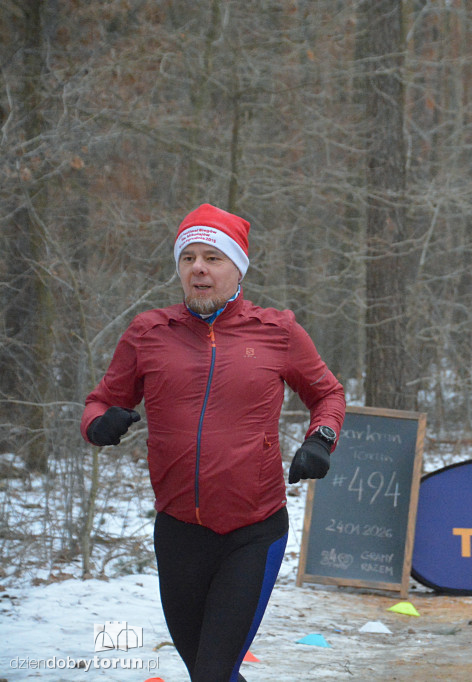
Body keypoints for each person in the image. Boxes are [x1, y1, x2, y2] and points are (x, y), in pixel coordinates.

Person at [80, 204, 346, 682]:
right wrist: (98, 425)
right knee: (206, 670)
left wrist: (320, 439)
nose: (198, 268)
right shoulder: (148, 333)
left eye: (213, 257)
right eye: (189, 258)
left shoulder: (277, 331)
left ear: (237, 267)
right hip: (178, 530)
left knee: (211, 674)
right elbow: (99, 402)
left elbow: (327, 392)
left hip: (253, 530)